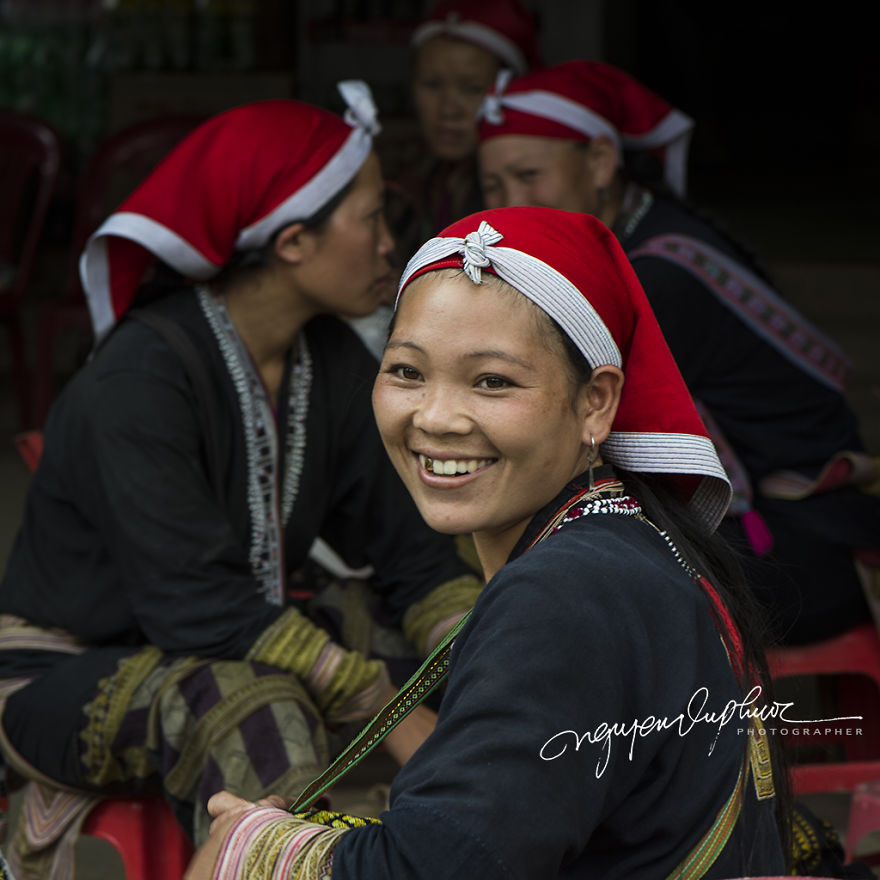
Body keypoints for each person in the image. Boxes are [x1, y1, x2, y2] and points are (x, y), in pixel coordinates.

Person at [185, 207, 788, 879]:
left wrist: (255, 848)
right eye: (408, 372)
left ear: (596, 402)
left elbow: (442, 868)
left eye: (492, 381)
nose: (435, 418)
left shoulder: (561, 595)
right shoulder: (629, 548)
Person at [0, 84, 482, 878]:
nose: (391, 243)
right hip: (66, 671)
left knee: (444, 645)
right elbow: (205, 611)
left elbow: (414, 557)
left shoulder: (325, 360)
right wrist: (393, 711)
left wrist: (479, 659)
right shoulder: (139, 381)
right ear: (294, 242)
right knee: (252, 702)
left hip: (233, 637)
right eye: (371, 219)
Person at [476, 60, 880, 645]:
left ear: (599, 162)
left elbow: (578, 439)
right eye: (493, 185)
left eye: (528, 175)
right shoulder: (622, 247)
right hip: (776, 530)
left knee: (564, 597)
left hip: (796, 544)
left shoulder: (657, 278)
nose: (511, 201)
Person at [388, 0, 541, 260]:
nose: (449, 109)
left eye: (471, 88)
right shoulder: (408, 187)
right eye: (432, 84)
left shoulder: (525, 192)